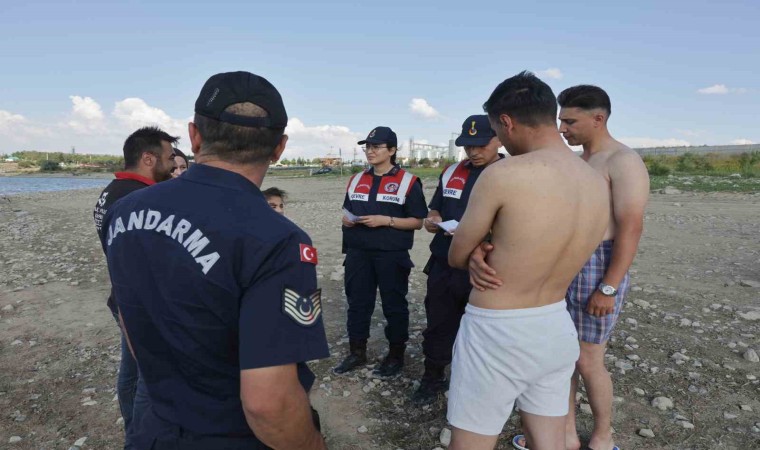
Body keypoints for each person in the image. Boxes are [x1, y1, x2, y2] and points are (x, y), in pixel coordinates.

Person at [101, 71, 329, 449]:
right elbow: (268, 404)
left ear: (194, 136)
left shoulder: (124, 211)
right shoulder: (278, 239)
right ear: (279, 148)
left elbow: (128, 311)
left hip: (153, 428)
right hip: (229, 434)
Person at [445, 71, 610, 450]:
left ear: (506, 122)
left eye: (496, 131)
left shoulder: (504, 174)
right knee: (550, 442)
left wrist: (476, 249)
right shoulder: (594, 181)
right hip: (555, 324)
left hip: (497, 328)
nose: (501, 141)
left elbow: (456, 255)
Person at [553, 85, 649, 450]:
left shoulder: (622, 160)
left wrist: (608, 287)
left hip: (598, 266)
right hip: (566, 262)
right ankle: (565, 435)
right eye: (561, 120)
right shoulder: (579, 161)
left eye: (569, 121)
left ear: (598, 118)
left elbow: (631, 227)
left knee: (589, 358)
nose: (562, 129)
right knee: (562, 356)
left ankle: (602, 437)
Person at [92, 126, 178, 449]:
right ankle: (140, 437)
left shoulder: (111, 191)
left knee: (130, 371)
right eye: (169, 157)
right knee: (148, 376)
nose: (174, 164)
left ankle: (132, 429)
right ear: (148, 159)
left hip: (123, 296)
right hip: (140, 304)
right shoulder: (138, 199)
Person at [411, 114, 503, 404]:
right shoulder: (452, 171)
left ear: (499, 140)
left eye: (480, 145)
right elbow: (436, 207)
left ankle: (477, 386)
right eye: (467, 146)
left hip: (487, 267)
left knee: (483, 329)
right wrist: (433, 219)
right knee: (439, 321)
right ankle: (433, 376)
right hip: (445, 261)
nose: (473, 152)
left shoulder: (511, 173)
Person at [333, 126, 427, 378]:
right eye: (368, 147)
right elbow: (347, 210)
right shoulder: (356, 179)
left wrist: (386, 220)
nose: (370, 151)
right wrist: (347, 220)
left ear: (392, 150)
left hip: (391, 254)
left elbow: (418, 221)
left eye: (376, 147)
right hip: (358, 253)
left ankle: (396, 355)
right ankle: (357, 352)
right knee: (357, 303)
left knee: (394, 305)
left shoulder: (408, 182)